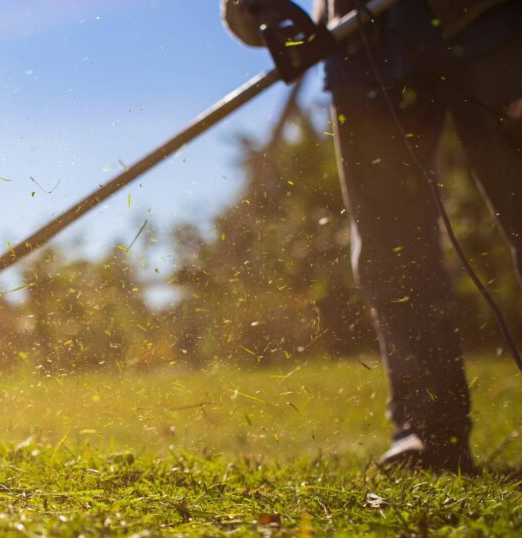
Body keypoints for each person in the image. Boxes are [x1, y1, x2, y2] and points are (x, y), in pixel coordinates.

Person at [221, 0, 522, 472]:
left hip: (491, 27)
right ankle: (429, 432)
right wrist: (256, 10)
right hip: (362, 48)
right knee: (390, 245)